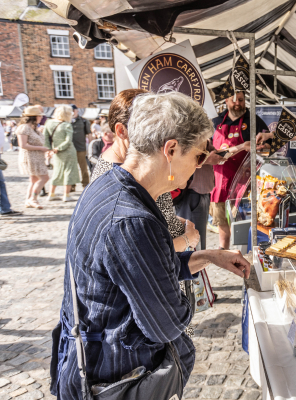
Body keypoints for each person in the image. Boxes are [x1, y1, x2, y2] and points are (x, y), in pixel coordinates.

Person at [50, 92, 250, 399]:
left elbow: (144, 269)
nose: (199, 166)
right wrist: (179, 298)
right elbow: (166, 323)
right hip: (118, 375)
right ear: (170, 149)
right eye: (199, 155)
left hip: (97, 362)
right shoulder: (131, 219)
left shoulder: (111, 185)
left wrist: (208, 256)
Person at [92, 89, 199, 256]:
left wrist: (177, 221)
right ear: (121, 131)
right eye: (147, 126)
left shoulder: (130, 167)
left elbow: (154, 215)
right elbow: (136, 252)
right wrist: (186, 240)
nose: (156, 134)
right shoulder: (119, 178)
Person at [210, 91, 268, 249]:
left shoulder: (254, 120)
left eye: (241, 100)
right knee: (221, 220)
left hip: (245, 183)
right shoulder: (216, 121)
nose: (237, 104)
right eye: (234, 100)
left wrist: (263, 147)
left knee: (245, 220)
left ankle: (246, 251)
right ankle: (224, 249)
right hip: (220, 181)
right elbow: (210, 150)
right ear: (226, 100)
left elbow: (271, 144)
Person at [16, 105, 51, 209]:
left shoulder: (33, 128)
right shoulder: (24, 127)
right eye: (39, 116)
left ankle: (28, 200)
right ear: (33, 116)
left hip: (37, 157)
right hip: (30, 158)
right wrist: (41, 148)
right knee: (44, 177)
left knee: (34, 179)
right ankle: (33, 199)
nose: (41, 117)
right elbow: (23, 145)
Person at [45, 105, 81, 202]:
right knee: (68, 171)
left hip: (55, 151)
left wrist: (50, 149)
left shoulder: (48, 123)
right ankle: (66, 195)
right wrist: (59, 148)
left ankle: (51, 194)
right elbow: (68, 141)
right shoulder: (67, 125)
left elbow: (46, 138)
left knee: (56, 171)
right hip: (68, 151)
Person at [70, 105, 90, 190]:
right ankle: (71, 185)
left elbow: (89, 134)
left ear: (77, 111)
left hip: (81, 147)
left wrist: (90, 146)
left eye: (73, 110)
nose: (72, 112)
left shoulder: (84, 121)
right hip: (70, 149)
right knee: (71, 168)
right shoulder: (66, 121)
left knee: (83, 168)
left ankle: (85, 184)